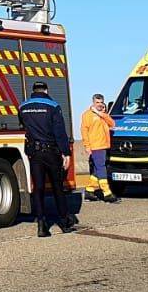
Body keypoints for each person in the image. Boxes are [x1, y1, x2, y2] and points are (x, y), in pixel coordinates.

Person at [20, 81, 76, 237]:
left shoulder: (23, 107)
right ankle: (64, 222)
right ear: (46, 90)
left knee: (38, 188)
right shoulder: (53, 106)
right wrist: (66, 153)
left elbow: (24, 125)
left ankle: (41, 225)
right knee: (57, 187)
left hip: (35, 153)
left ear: (33, 91)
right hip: (51, 152)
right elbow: (59, 132)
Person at [80, 93, 119, 203]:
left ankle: (89, 191)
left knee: (97, 169)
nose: (100, 105)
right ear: (93, 102)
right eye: (97, 103)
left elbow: (112, 124)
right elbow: (84, 131)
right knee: (101, 168)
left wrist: (101, 114)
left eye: (101, 102)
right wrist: (87, 146)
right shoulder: (87, 115)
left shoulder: (103, 114)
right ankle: (107, 193)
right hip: (95, 146)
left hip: (104, 146)